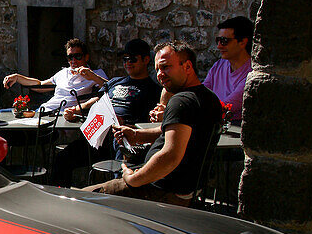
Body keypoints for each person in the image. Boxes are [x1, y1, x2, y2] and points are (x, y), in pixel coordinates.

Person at [83, 41, 222, 206]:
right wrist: (138, 135)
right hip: (180, 191)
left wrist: (134, 179)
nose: (160, 74)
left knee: (77, 199)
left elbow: (170, 157)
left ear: (187, 66)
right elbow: (182, 133)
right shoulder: (208, 97)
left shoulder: (181, 101)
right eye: (157, 69)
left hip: (158, 192)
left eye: (165, 67)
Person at [51, 39, 162, 186]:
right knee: (62, 159)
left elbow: (151, 122)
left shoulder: (153, 90)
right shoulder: (116, 82)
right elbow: (98, 99)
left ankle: (116, 194)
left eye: (133, 59)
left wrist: (128, 125)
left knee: (121, 163)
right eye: (125, 59)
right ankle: (60, 199)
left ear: (146, 60)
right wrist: (77, 109)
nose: (128, 62)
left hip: (123, 137)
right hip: (99, 135)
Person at [3, 39, 108, 112]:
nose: (73, 60)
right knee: (1, 117)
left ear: (86, 57)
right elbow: (40, 85)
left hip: (62, 116)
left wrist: (92, 76)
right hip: (45, 111)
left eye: (78, 56)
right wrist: (17, 77)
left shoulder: (96, 73)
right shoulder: (63, 72)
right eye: (70, 57)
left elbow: (110, 89)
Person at [202, 15, 253, 124]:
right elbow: (201, 93)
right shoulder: (219, 65)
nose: (219, 46)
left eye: (224, 41)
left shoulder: (251, 74)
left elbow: (226, 107)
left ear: (243, 42)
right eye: (218, 40)